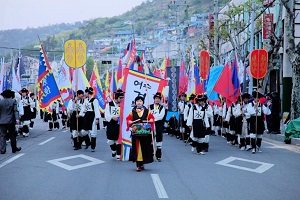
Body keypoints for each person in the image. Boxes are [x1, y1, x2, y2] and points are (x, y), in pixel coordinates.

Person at [126, 95, 155, 172]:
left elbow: (151, 118)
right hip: (136, 133)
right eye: (137, 101)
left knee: (144, 148)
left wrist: (151, 120)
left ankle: (143, 162)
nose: (139, 102)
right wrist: (129, 122)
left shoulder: (147, 111)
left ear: (143, 102)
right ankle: (138, 164)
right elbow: (128, 119)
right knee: (137, 148)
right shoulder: (132, 111)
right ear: (135, 103)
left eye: (140, 101)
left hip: (145, 133)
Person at [105, 89, 124, 160]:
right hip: (111, 123)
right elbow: (106, 115)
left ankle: (119, 154)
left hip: (119, 124)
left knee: (118, 140)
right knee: (110, 140)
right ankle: (113, 150)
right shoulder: (109, 105)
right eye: (120, 98)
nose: (121, 99)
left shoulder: (122, 105)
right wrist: (112, 117)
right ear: (116, 97)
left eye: (122, 98)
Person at [0, 90, 21, 154]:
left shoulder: (0, 102)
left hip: (1, 121)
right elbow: (15, 111)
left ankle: (2, 150)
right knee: (12, 135)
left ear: (4, 96)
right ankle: (14, 149)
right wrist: (17, 119)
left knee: (2, 135)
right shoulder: (13, 101)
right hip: (10, 121)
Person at [80, 87, 101, 152]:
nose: (84, 94)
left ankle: (93, 146)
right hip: (87, 116)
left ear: (88, 93)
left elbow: (96, 110)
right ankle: (88, 142)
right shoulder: (85, 100)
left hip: (93, 116)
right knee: (83, 131)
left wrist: (97, 118)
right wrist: (81, 114)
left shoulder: (95, 100)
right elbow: (83, 108)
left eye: (85, 92)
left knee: (93, 132)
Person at [149, 92, 165, 162]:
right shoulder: (150, 106)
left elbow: (161, 116)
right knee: (150, 138)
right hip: (151, 124)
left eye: (158, 99)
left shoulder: (162, 108)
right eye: (156, 98)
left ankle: (158, 155)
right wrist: (151, 119)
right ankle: (151, 154)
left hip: (158, 124)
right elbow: (148, 114)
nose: (157, 100)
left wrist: (154, 118)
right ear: (154, 99)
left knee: (159, 138)